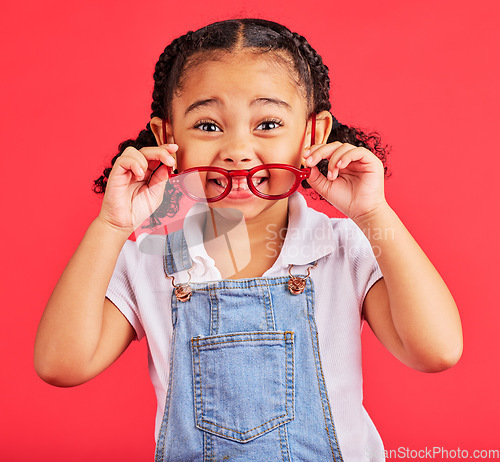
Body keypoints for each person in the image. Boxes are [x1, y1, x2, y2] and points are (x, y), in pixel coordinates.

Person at [34, 18, 463, 461]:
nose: (237, 149)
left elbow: (436, 350)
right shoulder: (152, 257)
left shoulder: (344, 246)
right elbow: (60, 365)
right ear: (168, 137)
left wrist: (374, 212)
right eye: (208, 126)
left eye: (268, 123)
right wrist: (111, 226)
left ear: (312, 135)